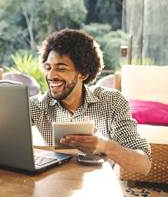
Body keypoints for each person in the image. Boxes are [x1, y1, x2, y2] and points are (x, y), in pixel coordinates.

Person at [30, 29, 151, 175]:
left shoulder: (112, 102)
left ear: (83, 73)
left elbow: (144, 165)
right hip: (54, 182)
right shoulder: (36, 105)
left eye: (61, 68)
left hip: (98, 185)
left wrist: (105, 146)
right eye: (48, 68)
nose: (50, 75)